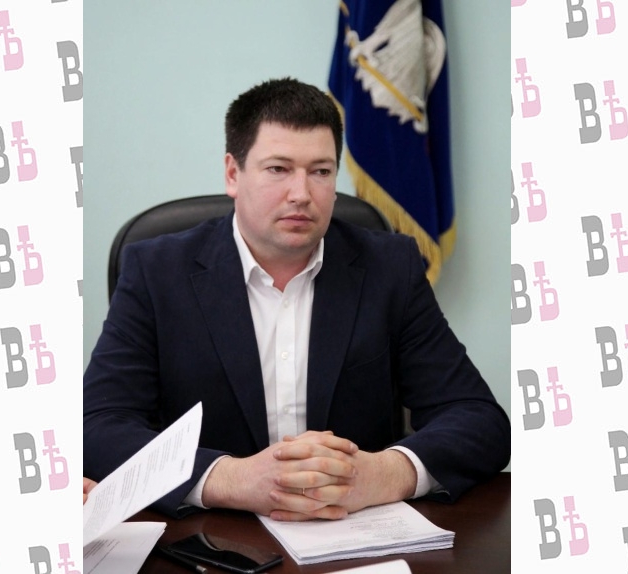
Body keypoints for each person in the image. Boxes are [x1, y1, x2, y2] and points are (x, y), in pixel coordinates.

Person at [83, 77, 509, 521]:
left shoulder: (389, 268)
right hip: (212, 538)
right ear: (233, 174)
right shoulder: (156, 272)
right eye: (278, 169)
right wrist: (229, 478)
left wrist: (384, 473)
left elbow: (478, 419)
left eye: (321, 171)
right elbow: (95, 425)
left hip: (355, 533)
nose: (302, 194)